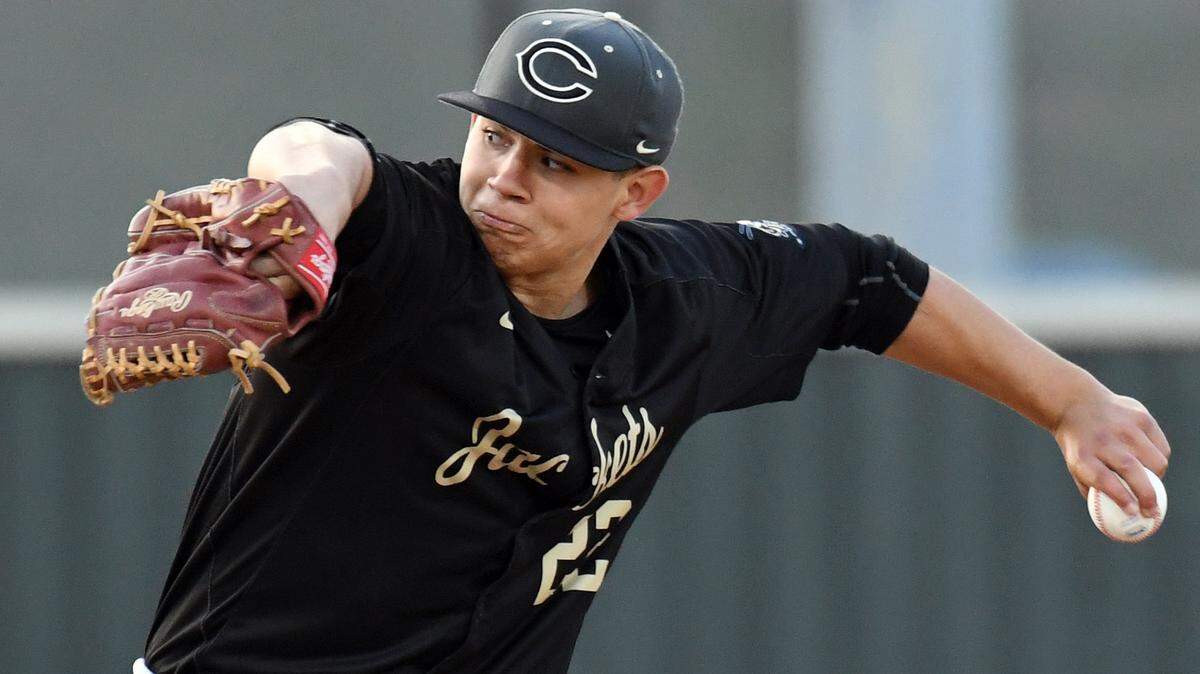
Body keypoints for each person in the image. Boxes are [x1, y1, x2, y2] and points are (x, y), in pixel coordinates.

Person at [134, 8, 1171, 674]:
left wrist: (1070, 400)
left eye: (556, 163)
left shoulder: (687, 301)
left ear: (637, 193)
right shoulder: (404, 246)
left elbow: (866, 277)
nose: (502, 178)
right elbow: (318, 151)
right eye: (493, 136)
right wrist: (290, 210)